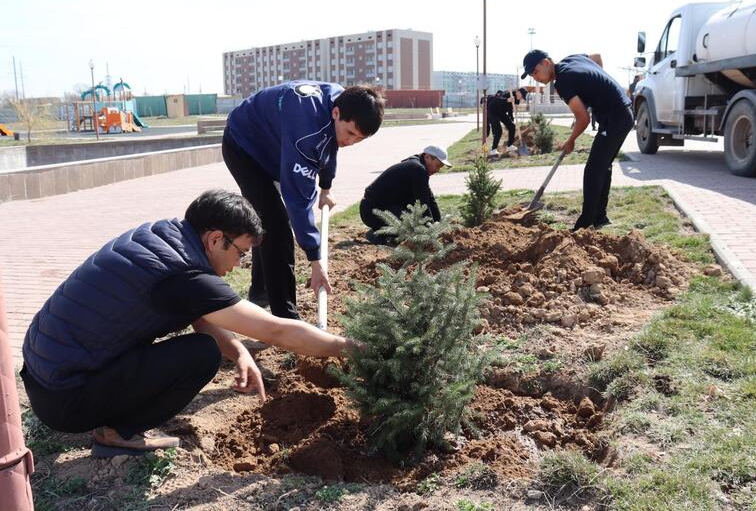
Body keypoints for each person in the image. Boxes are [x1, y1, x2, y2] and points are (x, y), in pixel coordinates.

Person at [21, 189, 359, 457]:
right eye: (241, 252)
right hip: (65, 399)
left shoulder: (166, 236)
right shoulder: (187, 275)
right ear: (215, 239)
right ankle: (116, 434)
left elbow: (197, 310)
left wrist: (239, 352)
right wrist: (350, 348)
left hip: (44, 375)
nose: (239, 264)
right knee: (202, 354)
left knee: (205, 346)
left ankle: (109, 415)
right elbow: (276, 330)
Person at [223, 81, 384, 319]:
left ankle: (260, 294)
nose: (350, 142)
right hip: (244, 145)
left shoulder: (342, 102)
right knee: (277, 226)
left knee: (266, 221)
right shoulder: (306, 129)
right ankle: (286, 318)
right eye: (350, 133)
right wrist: (315, 259)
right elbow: (298, 200)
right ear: (336, 113)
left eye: (359, 139)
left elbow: (329, 145)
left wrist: (326, 186)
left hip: (273, 142)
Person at [521, 50, 633, 230]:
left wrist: (571, 140)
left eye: (535, 72)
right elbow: (597, 57)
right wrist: (595, 91)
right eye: (531, 75)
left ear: (546, 62)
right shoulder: (572, 59)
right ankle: (599, 217)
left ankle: (584, 225)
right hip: (622, 113)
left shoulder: (562, 82)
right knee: (602, 167)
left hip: (615, 118)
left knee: (593, 171)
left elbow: (583, 119)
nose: (535, 78)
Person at [359, 145, 451, 243]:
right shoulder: (418, 169)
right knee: (414, 226)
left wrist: (438, 221)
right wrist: (431, 232)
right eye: (437, 165)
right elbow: (422, 204)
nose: (437, 170)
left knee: (416, 222)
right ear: (427, 157)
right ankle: (378, 235)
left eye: (440, 167)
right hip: (373, 212)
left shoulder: (417, 166)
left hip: (384, 208)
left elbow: (429, 198)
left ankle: (383, 231)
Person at [486, 87, 528, 157]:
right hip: (493, 110)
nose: (521, 97)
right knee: (498, 130)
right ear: (518, 92)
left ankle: (509, 146)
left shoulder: (515, 99)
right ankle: (493, 150)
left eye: (522, 97)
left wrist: (511, 119)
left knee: (512, 126)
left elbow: (510, 109)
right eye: (521, 95)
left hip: (501, 112)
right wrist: (507, 100)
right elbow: (497, 99)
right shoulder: (508, 93)